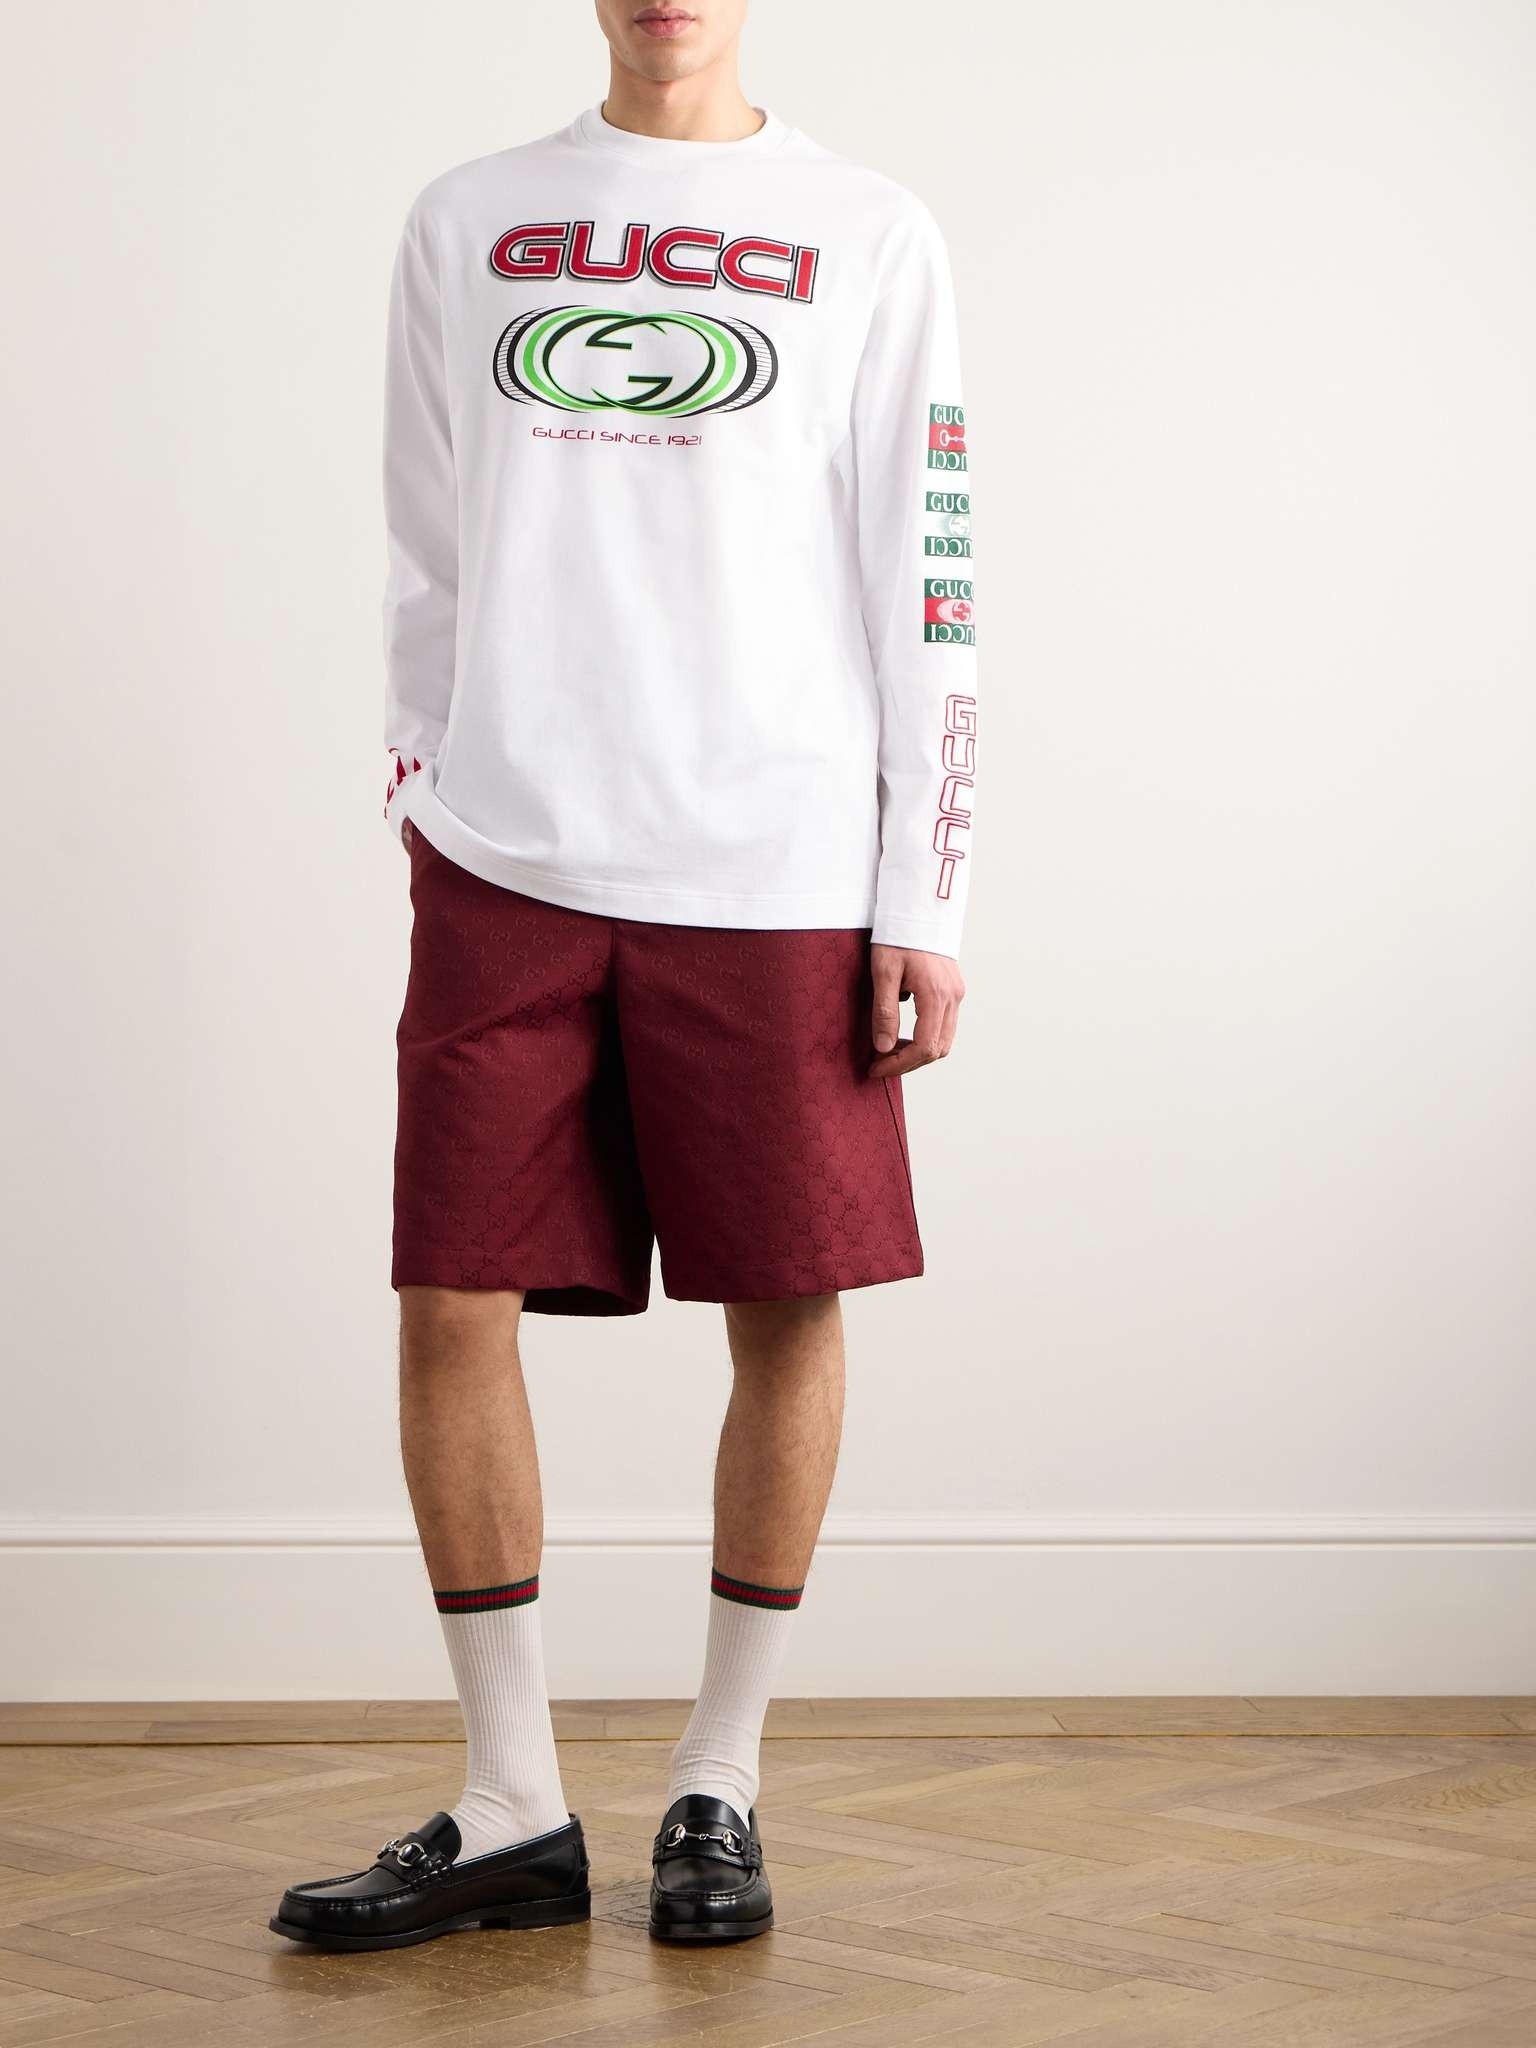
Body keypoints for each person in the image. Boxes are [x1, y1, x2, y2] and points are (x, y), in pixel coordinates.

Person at [269, 0, 977, 1953]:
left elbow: (928, 569)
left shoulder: (867, 227)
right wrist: (424, 781)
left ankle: (718, 1782)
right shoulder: (468, 218)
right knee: (450, 1293)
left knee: (787, 1299)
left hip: (776, 858)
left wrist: (928, 885)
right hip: (506, 855)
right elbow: (426, 545)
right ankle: (511, 1801)